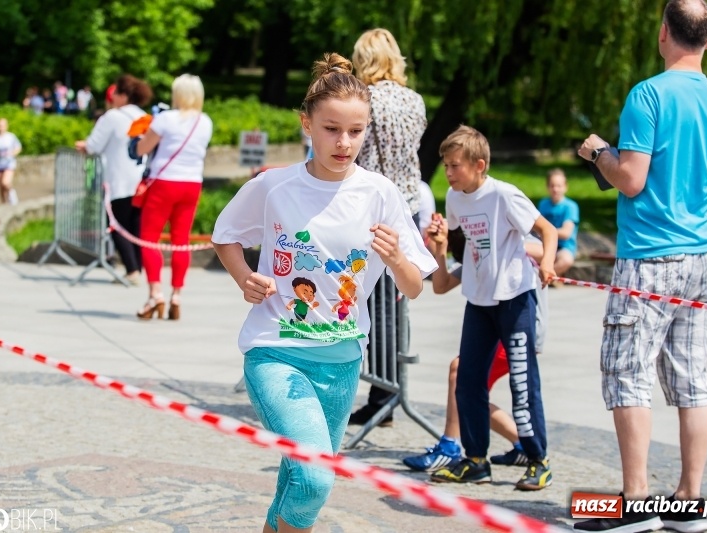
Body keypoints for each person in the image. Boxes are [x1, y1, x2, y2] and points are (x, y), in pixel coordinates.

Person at [211, 53, 437, 533]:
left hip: (342, 362)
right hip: (276, 350)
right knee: (315, 480)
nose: (344, 142)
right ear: (306, 125)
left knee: (300, 478)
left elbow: (415, 286)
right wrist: (243, 276)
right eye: (332, 128)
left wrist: (396, 257)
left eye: (356, 131)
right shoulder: (274, 186)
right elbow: (225, 234)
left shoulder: (380, 194)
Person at [575, 1, 707, 531]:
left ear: (664, 33)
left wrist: (599, 151)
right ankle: (688, 503)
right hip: (701, 255)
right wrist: (692, 202)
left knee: (628, 372)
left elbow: (632, 179)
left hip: (649, 257)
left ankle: (636, 503)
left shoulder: (648, 95)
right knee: (692, 378)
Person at [421, 125, 557, 491]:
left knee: (522, 383)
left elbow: (548, 232)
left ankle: (538, 459)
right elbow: (461, 257)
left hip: (514, 298)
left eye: (454, 166)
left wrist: (547, 263)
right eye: (446, 166)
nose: (448, 173)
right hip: (478, 301)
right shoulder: (454, 198)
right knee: (466, 383)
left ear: (479, 165)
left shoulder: (504, 195)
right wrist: (440, 244)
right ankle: (476, 459)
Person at [402, 231, 548, 473]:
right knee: (470, 392)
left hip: (519, 325)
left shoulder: (509, 230)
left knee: (460, 373)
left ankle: (451, 446)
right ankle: (520, 444)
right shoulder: (476, 249)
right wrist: (442, 248)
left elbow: (545, 249)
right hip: (493, 325)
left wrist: (491, 241)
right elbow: (441, 285)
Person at [348, 28, 428, 428]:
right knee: (399, 302)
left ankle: (382, 392)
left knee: (375, 304)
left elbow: (364, 159)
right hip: (409, 208)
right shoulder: (414, 100)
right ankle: (391, 386)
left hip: (376, 208)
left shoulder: (369, 100)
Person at [134, 74, 213, 321]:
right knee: (181, 240)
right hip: (192, 184)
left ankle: (155, 292)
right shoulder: (205, 122)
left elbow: (142, 149)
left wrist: (139, 136)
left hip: (164, 182)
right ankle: (176, 295)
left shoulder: (165, 119)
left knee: (149, 239)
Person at [75, 74, 153, 286]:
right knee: (135, 226)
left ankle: (132, 270)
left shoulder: (112, 117)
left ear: (123, 96)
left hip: (117, 180)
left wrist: (83, 146)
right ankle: (139, 266)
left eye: (116, 93)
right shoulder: (145, 116)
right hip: (140, 181)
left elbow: (93, 145)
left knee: (116, 224)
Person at [538, 168, 579, 278]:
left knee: (566, 260)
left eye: (559, 186)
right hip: (545, 244)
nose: (555, 189)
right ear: (548, 187)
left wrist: (545, 231)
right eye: (552, 185)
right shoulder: (543, 204)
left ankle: (545, 277)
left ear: (565, 187)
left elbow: (566, 233)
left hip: (564, 247)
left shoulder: (570, 206)